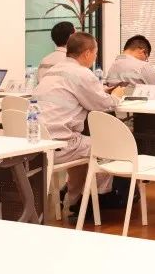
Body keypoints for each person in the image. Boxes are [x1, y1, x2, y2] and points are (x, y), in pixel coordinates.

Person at [32, 33, 125, 210]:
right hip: (61, 145)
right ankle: (97, 199)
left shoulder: (53, 71)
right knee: (107, 146)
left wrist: (98, 91)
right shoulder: (83, 73)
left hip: (37, 144)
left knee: (84, 149)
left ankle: (75, 199)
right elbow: (103, 105)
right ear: (87, 53)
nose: (95, 57)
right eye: (95, 53)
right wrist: (116, 96)